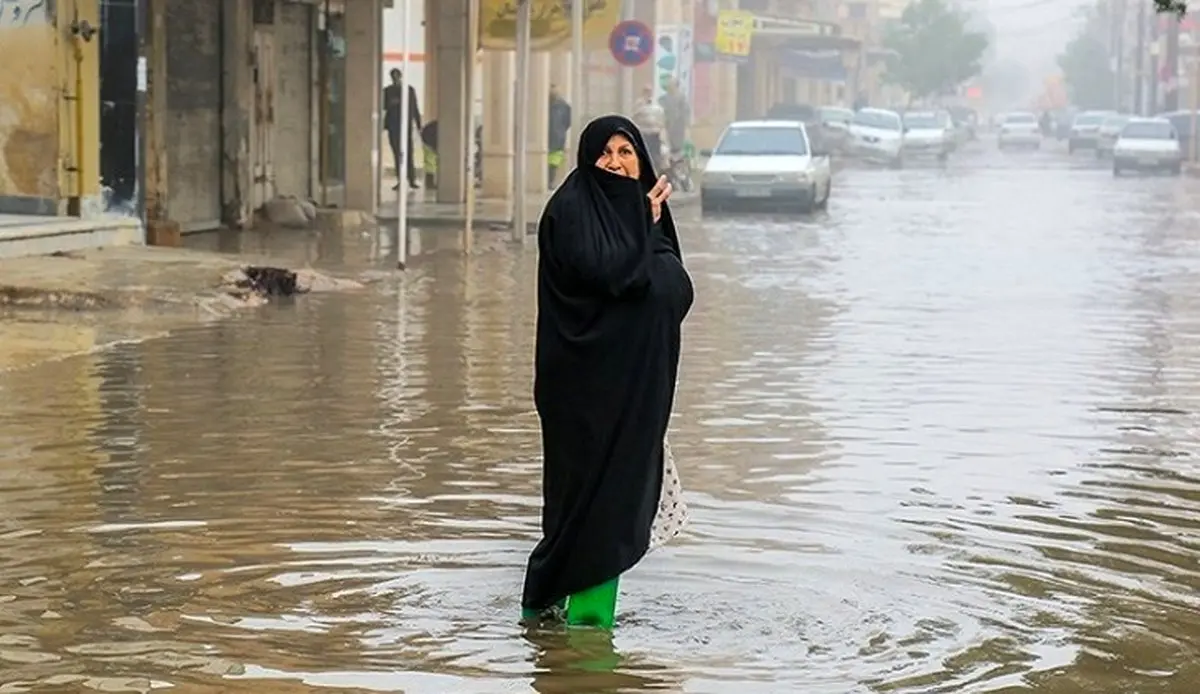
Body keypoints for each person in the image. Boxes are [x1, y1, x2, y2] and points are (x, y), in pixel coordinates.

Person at [521, 115, 694, 630]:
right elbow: (610, 276)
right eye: (605, 152)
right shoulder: (572, 212)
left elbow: (671, 286)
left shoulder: (644, 219)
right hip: (581, 392)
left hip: (632, 395)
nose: (615, 163)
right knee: (586, 509)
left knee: (613, 504)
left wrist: (646, 225)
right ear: (587, 158)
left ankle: (553, 635)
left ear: (641, 160)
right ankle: (584, 645)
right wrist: (642, 223)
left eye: (626, 152)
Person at [383, 68, 422, 191]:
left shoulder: (409, 90)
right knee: (397, 154)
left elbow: (414, 107)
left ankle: (412, 179)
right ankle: (401, 179)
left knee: (408, 152)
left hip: (406, 125)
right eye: (393, 76)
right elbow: (383, 106)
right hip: (393, 126)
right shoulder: (387, 91)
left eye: (397, 76)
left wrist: (418, 124)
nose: (395, 78)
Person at [632, 86, 667, 171]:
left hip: (654, 134)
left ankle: (656, 170)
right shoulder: (639, 104)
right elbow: (634, 116)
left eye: (649, 92)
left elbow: (661, 118)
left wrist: (659, 127)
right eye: (646, 92)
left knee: (656, 155)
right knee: (645, 153)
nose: (648, 94)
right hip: (644, 134)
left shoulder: (656, 105)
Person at [548, 85, 573, 187]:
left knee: (554, 161)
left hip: (557, 138)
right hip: (550, 137)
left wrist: (561, 130)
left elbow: (568, 121)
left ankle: (550, 180)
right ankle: (549, 180)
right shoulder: (545, 105)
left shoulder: (564, 106)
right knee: (551, 160)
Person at [661, 77, 690, 162]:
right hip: (668, 125)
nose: (669, 86)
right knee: (668, 144)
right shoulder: (664, 98)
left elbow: (686, 112)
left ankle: (678, 161)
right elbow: (662, 111)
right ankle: (671, 161)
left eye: (671, 84)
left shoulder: (681, 97)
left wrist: (686, 125)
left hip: (679, 126)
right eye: (669, 84)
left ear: (676, 86)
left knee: (678, 145)